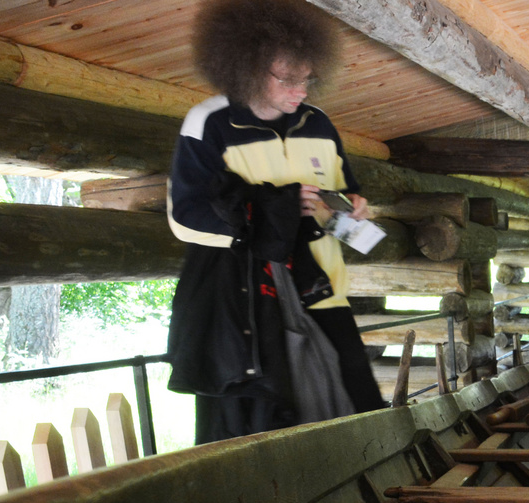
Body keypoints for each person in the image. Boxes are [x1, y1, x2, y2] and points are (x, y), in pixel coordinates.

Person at [165, 0, 385, 444]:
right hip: (247, 308)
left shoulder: (319, 123)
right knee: (266, 432)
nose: (300, 89)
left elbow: (337, 199)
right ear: (244, 65)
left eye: (307, 78)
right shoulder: (209, 123)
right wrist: (276, 207)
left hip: (323, 292)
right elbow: (185, 218)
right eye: (286, 78)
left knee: (357, 414)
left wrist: (353, 209)